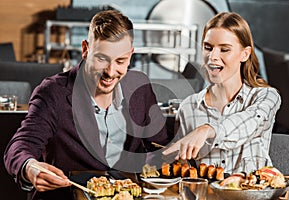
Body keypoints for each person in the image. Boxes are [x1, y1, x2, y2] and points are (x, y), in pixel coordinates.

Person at [4, 10, 169, 200]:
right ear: (85, 49)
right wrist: (30, 167)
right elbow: (20, 146)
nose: (110, 71)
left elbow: (160, 145)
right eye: (101, 59)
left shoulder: (140, 87)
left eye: (120, 61)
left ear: (131, 55)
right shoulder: (53, 92)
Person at [163, 12, 281, 174]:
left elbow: (251, 121)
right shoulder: (188, 107)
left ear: (244, 54)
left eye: (224, 49)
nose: (213, 57)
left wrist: (207, 129)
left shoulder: (265, 96)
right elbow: (185, 169)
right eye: (208, 48)